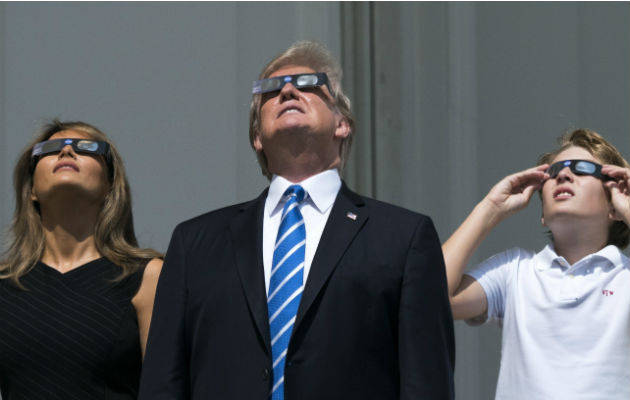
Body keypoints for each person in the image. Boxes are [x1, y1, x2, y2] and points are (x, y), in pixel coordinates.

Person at [139, 40, 455, 399]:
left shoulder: (404, 238)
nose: (288, 89)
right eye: (271, 90)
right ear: (256, 137)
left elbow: (426, 384)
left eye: (308, 84)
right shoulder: (194, 243)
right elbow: (162, 384)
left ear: (343, 124)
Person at [443, 128, 630, 399]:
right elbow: (430, 295)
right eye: (553, 173)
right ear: (543, 213)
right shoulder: (514, 271)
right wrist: (490, 209)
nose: (564, 175)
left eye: (583, 168)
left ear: (614, 205)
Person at [0, 120, 163, 399]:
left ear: (110, 186)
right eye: (50, 149)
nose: (66, 152)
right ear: (32, 190)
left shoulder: (148, 278)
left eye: (87, 147)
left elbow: (164, 390)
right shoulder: (3, 283)